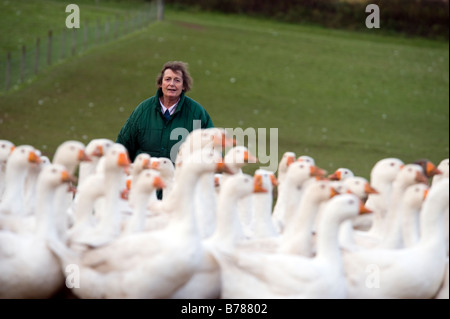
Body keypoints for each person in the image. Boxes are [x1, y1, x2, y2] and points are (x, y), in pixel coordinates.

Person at [116, 61, 214, 163]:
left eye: (177, 80)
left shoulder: (197, 113)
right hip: (147, 176)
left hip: (180, 177)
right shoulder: (143, 110)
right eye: (167, 79)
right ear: (160, 83)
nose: (172, 84)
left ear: (184, 86)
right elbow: (123, 145)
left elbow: (213, 150)